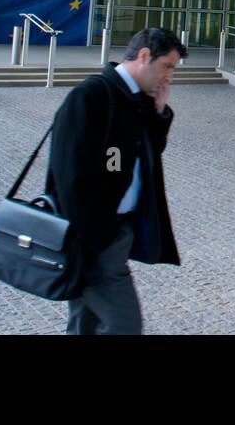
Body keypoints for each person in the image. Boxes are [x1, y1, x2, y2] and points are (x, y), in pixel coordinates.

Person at [44, 26, 187, 334]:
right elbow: (68, 177)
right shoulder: (91, 95)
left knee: (85, 322)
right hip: (93, 237)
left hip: (114, 231)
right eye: (167, 67)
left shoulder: (134, 100)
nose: (169, 77)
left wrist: (159, 112)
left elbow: (145, 156)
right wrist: (98, 237)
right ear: (144, 56)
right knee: (125, 326)